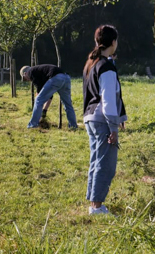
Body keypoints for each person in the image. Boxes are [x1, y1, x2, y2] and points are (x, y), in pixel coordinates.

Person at [82, 25, 127, 215]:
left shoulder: (91, 63)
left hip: (90, 118)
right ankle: (97, 207)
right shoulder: (106, 67)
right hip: (102, 120)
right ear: (114, 42)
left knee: (96, 161)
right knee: (105, 165)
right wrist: (114, 127)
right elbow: (108, 99)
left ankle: (94, 203)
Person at [20, 64, 78, 130]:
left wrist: (38, 104)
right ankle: (73, 126)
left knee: (38, 100)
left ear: (25, 73)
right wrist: (44, 110)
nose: (28, 80)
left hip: (56, 78)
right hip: (66, 77)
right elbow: (49, 95)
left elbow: (39, 92)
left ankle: (33, 125)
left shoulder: (31, 72)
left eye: (25, 78)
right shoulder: (40, 72)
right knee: (68, 104)